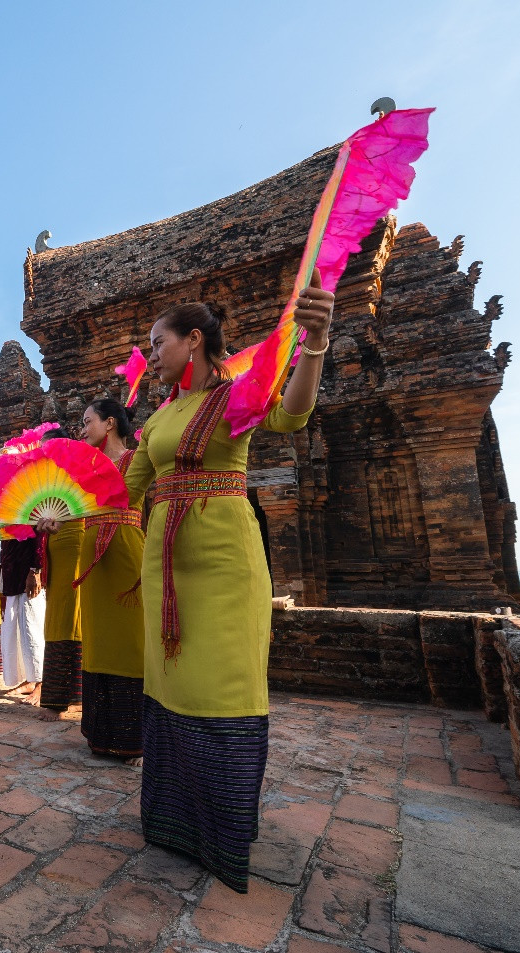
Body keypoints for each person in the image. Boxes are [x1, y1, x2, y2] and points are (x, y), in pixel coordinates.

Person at [126, 280, 332, 893]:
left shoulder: (236, 393)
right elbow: (123, 487)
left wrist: (313, 344)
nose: (150, 353)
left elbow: (292, 412)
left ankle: (222, 831)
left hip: (223, 562)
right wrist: (51, 512)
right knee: (170, 681)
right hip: (164, 570)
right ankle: (173, 821)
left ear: (194, 341)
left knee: (222, 685)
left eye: (157, 342)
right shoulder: (161, 414)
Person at [76, 398, 146, 760]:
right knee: (99, 640)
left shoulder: (137, 459)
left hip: (126, 553)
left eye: (88, 421)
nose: (82, 428)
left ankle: (132, 736)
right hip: (91, 557)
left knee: (131, 640)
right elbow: (74, 510)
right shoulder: (83, 469)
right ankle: (100, 732)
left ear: (110, 424)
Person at [34, 430, 84, 716]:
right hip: (53, 545)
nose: (44, 453)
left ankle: (75, 695)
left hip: (75, 541)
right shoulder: (45, 478)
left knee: (72, 616)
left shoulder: (75, 471)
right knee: (55, 618)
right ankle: (57, 695)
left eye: (48, 448)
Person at [0, 534, 45, 699]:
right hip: (12, 574)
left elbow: (40, 537)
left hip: (28, 573)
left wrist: (35, 570)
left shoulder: (31, 508)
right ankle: (30, 679)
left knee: (33, 628)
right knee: (16, 631)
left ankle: (41, 683)